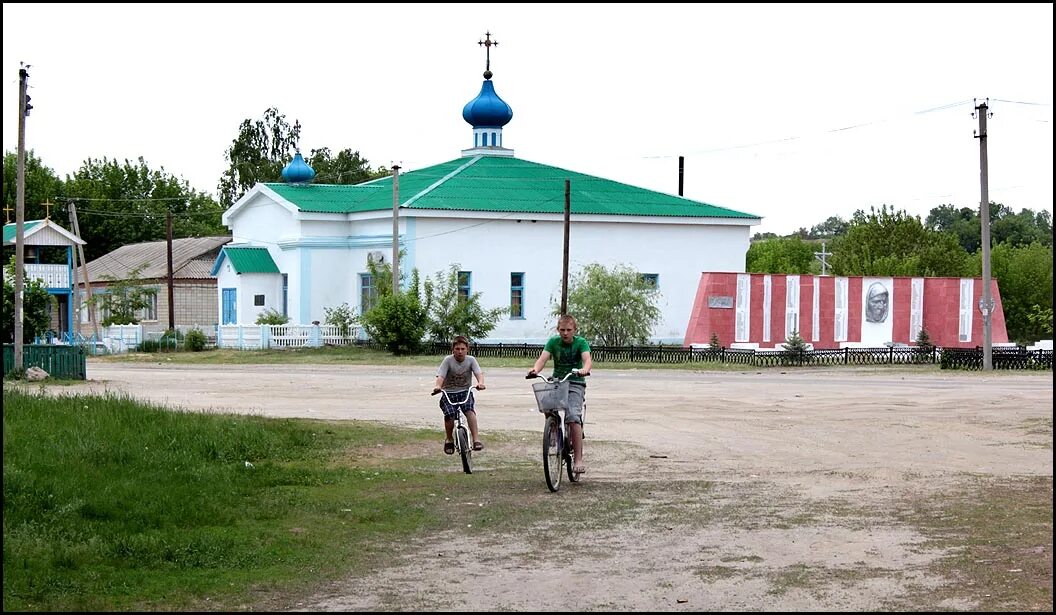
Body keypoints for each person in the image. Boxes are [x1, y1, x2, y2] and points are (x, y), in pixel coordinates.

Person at [528, 314, 593, 475]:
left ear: (574, 330)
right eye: (562, 330)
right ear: (558, 329)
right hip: (558, 381)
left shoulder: (581, 342)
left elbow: (587, 359)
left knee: (572, 417)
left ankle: (578, 459)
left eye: (568, 330)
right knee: (547, 405)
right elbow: (542, 359)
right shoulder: (553, 342)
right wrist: (535, 370)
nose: (565, 333)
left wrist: (584, 369)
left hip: (575, 382)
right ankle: (554, 430)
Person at [433, 335, 486, 454]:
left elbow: (478, 373)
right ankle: (449, 439)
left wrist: (480, 383)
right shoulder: (448, 360)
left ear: (467, 349)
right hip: (449, 393)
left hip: (465, 392)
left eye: (462, 349)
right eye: (457, 349)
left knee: (470, 412)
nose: (460, 352)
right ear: (453, 349)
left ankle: (476, 440)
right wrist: (438, 386)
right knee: (449, 416)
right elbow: (441, 376)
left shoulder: (471, 360)